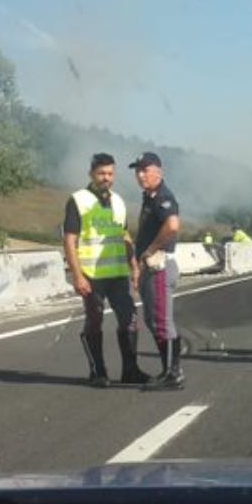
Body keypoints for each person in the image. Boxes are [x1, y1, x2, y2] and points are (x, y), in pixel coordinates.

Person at [63, 153, 149, 387]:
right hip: (92, 276)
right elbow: (70, 240)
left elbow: (124, 235)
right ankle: (98, 371)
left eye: (110, 174)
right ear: (91, 173)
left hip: (118, 274)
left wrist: (134, 266)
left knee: (130, 318)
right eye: (101, 173)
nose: (106, 178)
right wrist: (77, 275)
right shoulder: (78, 200)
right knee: (94, 321)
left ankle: (130, 370)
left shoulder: (119, 201)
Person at [131, 152, 184, 389]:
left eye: (145, 169)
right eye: (137, 171)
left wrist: (151, 248)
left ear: (158, 172)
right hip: (150, 268)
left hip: (160, 266)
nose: (140, 175)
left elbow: (172, 226)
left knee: (161, 321)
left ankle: (173, 374)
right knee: (153, 321)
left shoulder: (163, 197)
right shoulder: (150, 197)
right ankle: (168, 370)